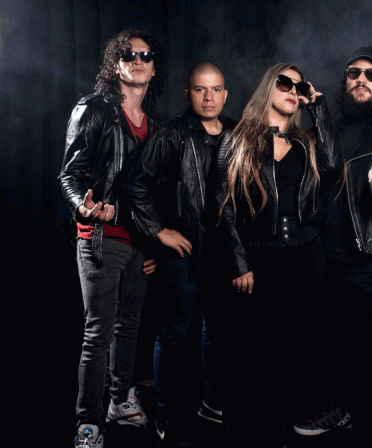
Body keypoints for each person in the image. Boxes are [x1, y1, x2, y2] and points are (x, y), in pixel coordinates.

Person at [292, 46, 372, 446]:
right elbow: (325, 169)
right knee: (334, 341)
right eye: (354, 73)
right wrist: (317, 111)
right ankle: (341, 411)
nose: (361, 80)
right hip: (328, 254)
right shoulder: (331, 125)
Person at [216, 63, 336, 447]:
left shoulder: (306, 141)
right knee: (258, 347)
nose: (292, 91)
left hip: (305, 254)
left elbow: (332, 165)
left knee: (300, 344)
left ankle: (292, 424)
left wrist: (319, 108)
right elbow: (223, 206)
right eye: (284, 83)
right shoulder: (238, 139)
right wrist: (239, 262)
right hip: (260, 255)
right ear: (269, 86)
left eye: (299, 86)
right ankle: (259, 428)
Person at [58, 28, 165, 448]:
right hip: (101, 238)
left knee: (130, 326)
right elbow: (68, 174)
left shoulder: (155, 122)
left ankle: (120, 401)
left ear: (154, 67)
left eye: (146, 55)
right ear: (115, 63)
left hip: (138, 242)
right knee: (98, 333)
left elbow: (155, 193)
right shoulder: (94, 109)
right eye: (128, 54)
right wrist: (83, 207)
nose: (138, 60)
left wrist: (153, 242)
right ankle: (88, 423)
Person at [121, 62, 237, 445]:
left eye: (215, 89)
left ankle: (212, 403)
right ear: (188, 94)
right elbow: (133, 180)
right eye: (200, 89)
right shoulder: (171, 133)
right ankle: (166, 414)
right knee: (174, 333)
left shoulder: (236, 132)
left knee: (217, 331)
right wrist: (158, 231)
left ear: (225, 94)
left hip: (222, 252)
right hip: (183, 252)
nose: (209, 97)